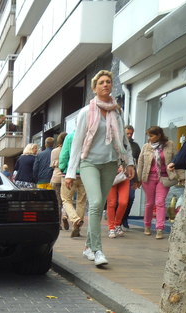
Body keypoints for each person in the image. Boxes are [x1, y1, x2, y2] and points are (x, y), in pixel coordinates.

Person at [65, 70, 135, 266]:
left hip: (111, 164)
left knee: (98, 205)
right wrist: (71, 173)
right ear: (95, 88)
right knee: (96, 203)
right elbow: (77, 143)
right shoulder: (86, 112)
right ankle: (97, 250)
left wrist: (129, 162)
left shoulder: (116, 112)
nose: (106, 84)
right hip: (89, 163)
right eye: (101, 82)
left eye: (109, 82)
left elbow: (123, 140)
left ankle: (87, 247)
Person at [136, 126, 177, 239]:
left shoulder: (170, 144)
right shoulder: (146, 147)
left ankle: (160, 228)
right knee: (149, 203)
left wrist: (179, 175)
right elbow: (141, 163)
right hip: (148, 178)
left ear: (159, 135)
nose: (149, 138)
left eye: (151, 136)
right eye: (148, 136)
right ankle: (147, 225)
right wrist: (138, 179)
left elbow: (176, 160)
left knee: (160, 202)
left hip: (164, 178)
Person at [59, 132, 87, 237]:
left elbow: (64, 154)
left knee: (66, 199)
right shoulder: (90, 135)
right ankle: (77, 228)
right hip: (85, 173)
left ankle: (75, 219)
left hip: (69, 173)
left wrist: (62, 168)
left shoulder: (70, 137)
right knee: (81, 201)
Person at [122, 125, 142, 228]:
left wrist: (138, 179)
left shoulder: (135, 146)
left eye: (131, 133)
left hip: (131, 175)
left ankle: (125, 218)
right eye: (127, 133)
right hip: (119, 175)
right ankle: (117, 219)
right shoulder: (119, 143)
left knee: (131, 197)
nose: (129, 135)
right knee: (119, 200)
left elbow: (138, 163)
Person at [106, 166, 130, 238]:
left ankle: (117, 224)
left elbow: (130, 160)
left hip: (124, 176)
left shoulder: (125, 154)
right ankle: (111, 228)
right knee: (111, 203)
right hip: (110, 176)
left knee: (123, 202)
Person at [51, 132, 69, 229]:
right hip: (67, 177)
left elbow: (51, 165)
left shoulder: (54, 151)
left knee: (57, 202)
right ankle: (65, 215)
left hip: (56, 177)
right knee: (67, 200)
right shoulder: (70, 149)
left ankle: (58, 223)